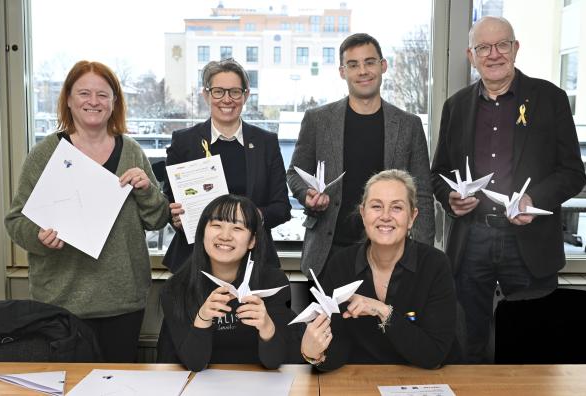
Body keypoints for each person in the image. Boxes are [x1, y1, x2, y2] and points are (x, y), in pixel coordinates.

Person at [430, 16, 586, 363]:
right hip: (471, 242)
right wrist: (450, 199)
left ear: (515, 48)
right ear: (472, 56)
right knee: (468, 343)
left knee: (534, 344)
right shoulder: (455, 106)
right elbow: (438, 173)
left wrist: (536, 200)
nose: (494, 54)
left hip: (530, 242)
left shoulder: (550, 98)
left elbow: (574, 173)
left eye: (502, 44)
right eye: (483, 47)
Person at [4, 60, 170, 362]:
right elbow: (15, 221)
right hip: (62, 301)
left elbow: (158, 219)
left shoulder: (132, 151)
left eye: (103, 95)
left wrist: (147, 191)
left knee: (120, 386)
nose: (93, 102)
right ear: (68, 99)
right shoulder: (45, 154)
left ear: (114, 102)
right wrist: (38, 236)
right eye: (83, 93)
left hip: (123, 301)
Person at [287, 33, 434, 278]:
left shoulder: (408, 125)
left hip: (390, 251)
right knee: (329, 319)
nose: (362, 71)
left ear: (383, 66)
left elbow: (423, 195)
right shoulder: (318, 120)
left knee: (387, 318)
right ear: (342, 72)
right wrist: (307, 195)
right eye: (353, 65)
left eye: (370, 62)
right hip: (329, 251)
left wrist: (423, 254)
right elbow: (294, 173)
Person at [299, 170, 456, 370]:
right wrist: (315, 354)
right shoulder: (341, 264)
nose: (385, 216)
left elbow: (433, 354)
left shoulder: (435, 265)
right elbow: (337, 349)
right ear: (363, 213)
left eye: (397, 207)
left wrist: (382, 311)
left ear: (412, 217)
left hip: (422, 382)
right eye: (376, 206)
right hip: (362, 381)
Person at [163, 58, 290, 273]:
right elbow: (169, 200)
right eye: (218, 91)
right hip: (193, 261)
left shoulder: (265, 143)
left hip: (253, 262)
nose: (227, 99)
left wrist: (249, 217)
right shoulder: (184, 142)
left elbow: (282, 208)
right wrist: (173, 214)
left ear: (246, 95)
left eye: (235, 92)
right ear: (206, 95)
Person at [157, 194, 301, 371]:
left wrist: (266, 326)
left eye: (237, 228)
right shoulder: (176, 288)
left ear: (252, 240)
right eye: (216, 225)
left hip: (257, 383)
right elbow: (194, 364)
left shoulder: (274, 283)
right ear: (202, 233)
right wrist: (203, 318)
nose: (225, 236)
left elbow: (274, 362)